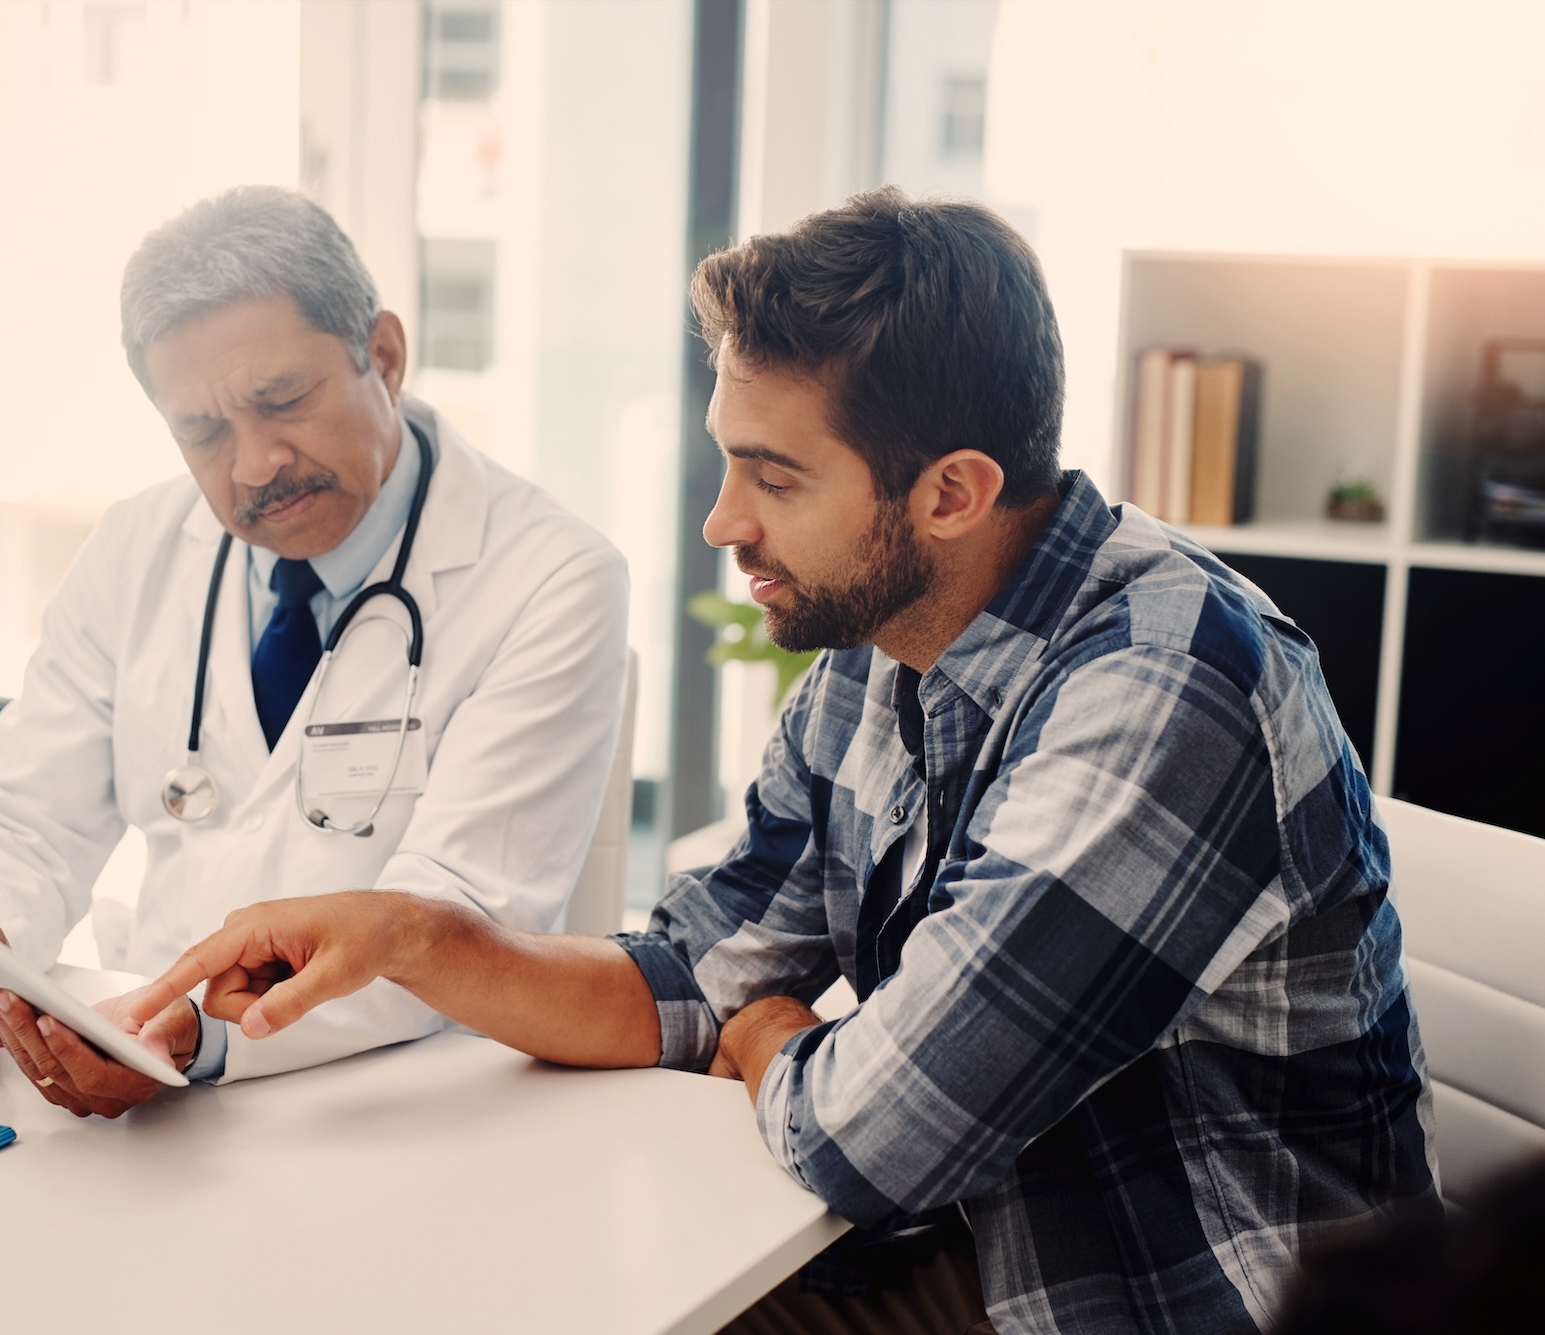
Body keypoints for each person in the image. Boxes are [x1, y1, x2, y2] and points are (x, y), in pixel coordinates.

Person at [124, 189, 1438, 1333]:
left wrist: (767, 1032)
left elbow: (873, 1136)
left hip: (1167, 1300)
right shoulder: (888, 642)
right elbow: (695, 971)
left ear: (952, 492)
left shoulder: (1165, 689)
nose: (722, 521)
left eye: (776, 476)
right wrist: (409, 932)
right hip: (989, 1256)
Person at [0, 186, 630, 1117]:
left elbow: (452, 927)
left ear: (383, 357)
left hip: (407, 1113)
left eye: (282, 401)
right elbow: (22, 819)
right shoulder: (136, 549)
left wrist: (210, 1036)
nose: (255, 463)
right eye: (204, 431)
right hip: (146, 1094)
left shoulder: (552, 577)